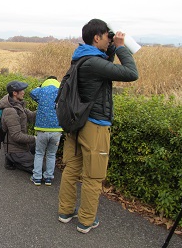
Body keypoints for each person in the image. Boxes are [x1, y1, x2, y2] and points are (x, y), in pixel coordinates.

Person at [58, 19, 138, 234]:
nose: (109, 40)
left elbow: (106, 63)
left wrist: (111, 46)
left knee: (72, 169)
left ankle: (65, 212)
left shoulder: (81, 58)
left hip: (77, 122)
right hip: (95, 125)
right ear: (97, 37)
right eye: (106, 36)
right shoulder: (93, 62)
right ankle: (85, 221)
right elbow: (131, 73)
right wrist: (121, 47)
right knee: (93, 177)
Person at [29, 76, 63, 186]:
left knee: (39, 153)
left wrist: (40, 86)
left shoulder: (42, 91)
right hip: (57, 129)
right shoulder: (61, 91)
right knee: (51, 154)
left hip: (42, 129)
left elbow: (32, 92)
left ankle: (37, 177)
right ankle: (48, 178)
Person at [0, 80, 36, 172]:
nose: (24, 92)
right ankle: (11, 159)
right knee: (40, 171)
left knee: (40, 145)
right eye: (22, 90)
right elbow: (16, 136)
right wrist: (35, 138)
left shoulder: (18, 105)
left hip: (21, 145)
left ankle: (12, 159)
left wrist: (45, 107)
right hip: (15, 149)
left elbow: (32, 116)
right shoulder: (10, 111)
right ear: (15, 93)